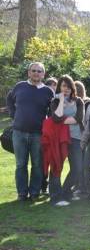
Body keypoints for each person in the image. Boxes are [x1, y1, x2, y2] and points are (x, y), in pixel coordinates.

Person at [7, 62, 54, 201]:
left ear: (43, 74)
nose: (36, 73)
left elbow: (51, 113)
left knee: (37, 165)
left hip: (38, 134)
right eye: (33, 70)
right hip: (19, 132)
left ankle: (34, 192)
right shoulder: (19, 86)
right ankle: (22, 193)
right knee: (21, 164)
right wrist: (13, 114)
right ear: (29, 72)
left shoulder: (47, 91)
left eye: (39, 71)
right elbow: (9, 99)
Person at [48, 75, 85, 206]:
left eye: (69, 86)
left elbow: (79, 118)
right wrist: (62, 101)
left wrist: (63, 120)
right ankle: (55, 196)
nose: (67, 89)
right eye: (64, 86)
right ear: (59, 87)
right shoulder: (55, 101)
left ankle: (65, 191)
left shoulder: (79, 101)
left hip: (75, 138)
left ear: (72, 88)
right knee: (57, 166)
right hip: (59, 139)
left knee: (78, 168)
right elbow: (56, 117)